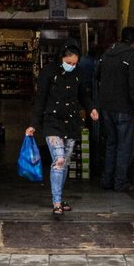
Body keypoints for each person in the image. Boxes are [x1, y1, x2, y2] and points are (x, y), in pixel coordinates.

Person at [26, 40, 98, 217]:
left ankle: (60, 197)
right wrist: (33, 124)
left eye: (75, 63)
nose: (72, 66)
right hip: (52, 123)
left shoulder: (78, 73)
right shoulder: (48, 73)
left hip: (72, 123)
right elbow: (40, 99)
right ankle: (56, 201)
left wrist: (91, 109)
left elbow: (83, 94)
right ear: (62, 58)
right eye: (69, 63)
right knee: (58, 160)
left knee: (64, 162)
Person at [97, 26, 134, 193]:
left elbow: (97, 76)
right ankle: (120, 182)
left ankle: (106, 180)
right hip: (123, 108)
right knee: (124, 146)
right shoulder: (132, 56)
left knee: (111, 143)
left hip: (106, 107)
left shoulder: (106, 53)